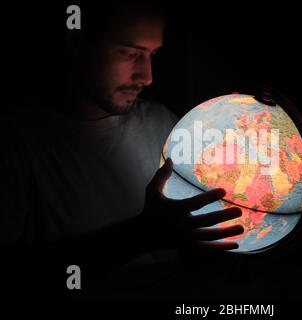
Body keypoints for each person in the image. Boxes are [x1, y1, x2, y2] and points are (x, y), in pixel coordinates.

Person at [0, 1, 243, 297]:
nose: (147, 76)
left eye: (153, 55)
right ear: (77, 43)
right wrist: (142, 235)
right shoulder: (18, 142)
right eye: (130, 53)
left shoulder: (164, 123)